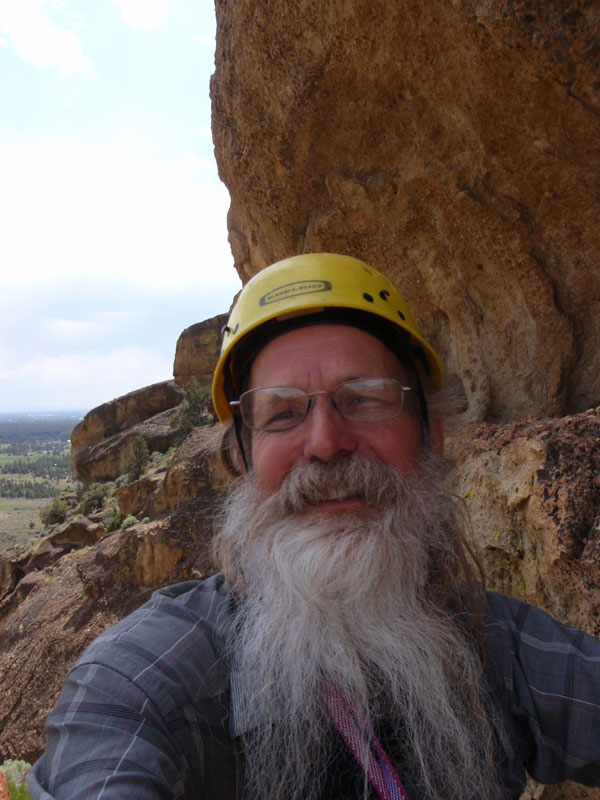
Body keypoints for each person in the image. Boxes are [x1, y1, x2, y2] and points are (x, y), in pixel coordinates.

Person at [30, 253, 600, 800]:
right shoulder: (147, 680)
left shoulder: (494, 645)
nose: (326, 443)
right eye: (282, 413)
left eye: (365, 399)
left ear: (433, 436)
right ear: (242, 462)